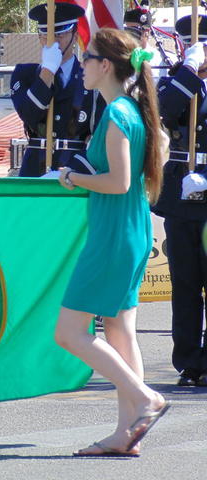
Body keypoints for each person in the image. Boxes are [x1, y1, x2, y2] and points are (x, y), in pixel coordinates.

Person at [55, 28, 169, 457]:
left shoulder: (118, 113)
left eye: (87, 58)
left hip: (115, 237)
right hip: (127, 232)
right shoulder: (127, 111)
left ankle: (145, 399)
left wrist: (69, 177)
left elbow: (118, 182)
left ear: (106, 65)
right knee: (121, 332)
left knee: (69, 332)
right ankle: (127, 432)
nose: (81, 64)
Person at [154, 14, 207, 387]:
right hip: (181, 195)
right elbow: (161, 110)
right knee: (185, 283)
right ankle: (189, 362)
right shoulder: (178, 79)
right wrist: (188, 71)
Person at [11, 2, 105, 177]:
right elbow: (31, 116)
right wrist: (47, 72)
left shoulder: (91, 75)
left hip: (75, 168)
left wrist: (73, 171)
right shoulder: (25, 74)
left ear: (75, 35)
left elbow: (99, 137)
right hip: (34, 169)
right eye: (45, 36)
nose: (52, 41)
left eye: (60, 35)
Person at [123, 1, 166, 81]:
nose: (129, 36)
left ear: (147, 32)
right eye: (126, 31)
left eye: (133, 31)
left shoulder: (161, 60)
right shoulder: (120, 58)